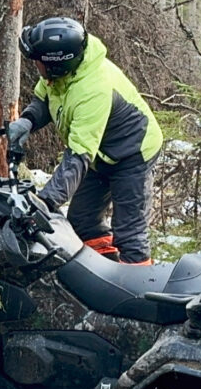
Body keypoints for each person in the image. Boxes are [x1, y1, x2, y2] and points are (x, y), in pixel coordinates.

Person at [9, 16, 162, 265]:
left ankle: (135, 291)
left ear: (57, 64)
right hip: (99, 152)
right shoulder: (61, 74)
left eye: (38, 61)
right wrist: (27, 120)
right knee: (82, 220)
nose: (36, 66)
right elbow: (44, 100)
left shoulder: (92, 90)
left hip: (133, 153)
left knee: (130, 234)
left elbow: (77, 157)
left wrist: (46, 202)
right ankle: (103, 272)